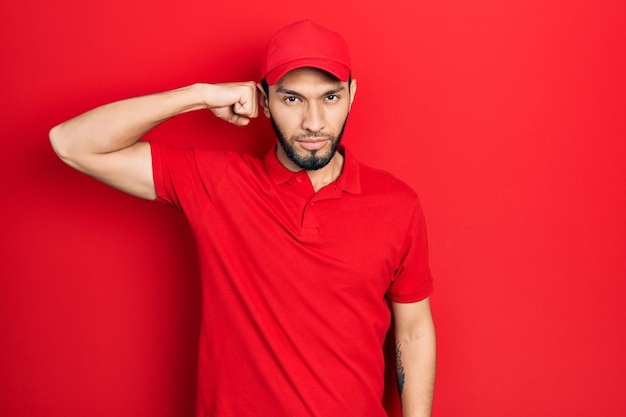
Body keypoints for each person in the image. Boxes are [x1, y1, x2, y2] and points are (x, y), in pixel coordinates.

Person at [49, 19, 436, 417]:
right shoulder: (217, 185)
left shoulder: (396, 203)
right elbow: (71, 143)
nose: (314, 122)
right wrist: (198, 95)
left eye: (330, 98)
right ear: (264, 101)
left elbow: (413, 328)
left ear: (352, 95)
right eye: (292, 99)